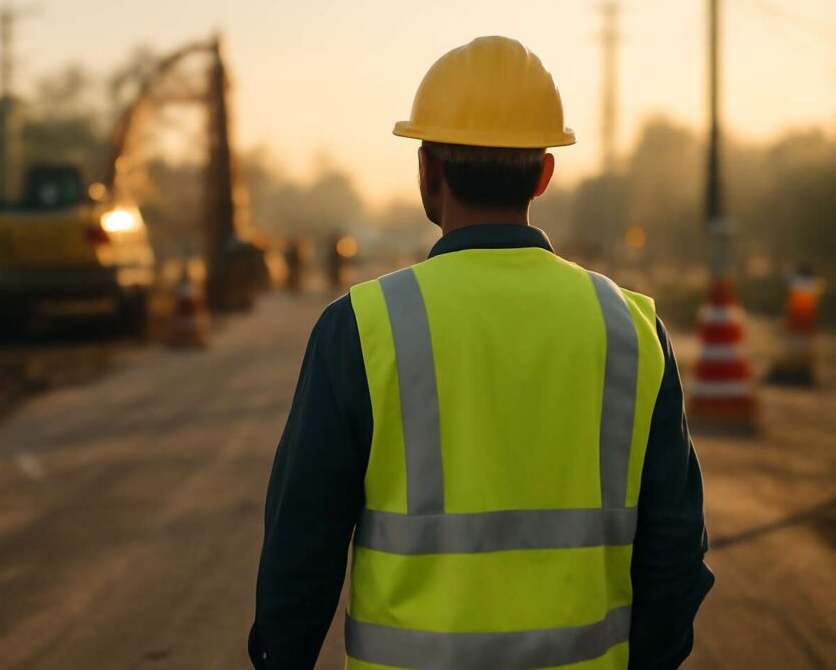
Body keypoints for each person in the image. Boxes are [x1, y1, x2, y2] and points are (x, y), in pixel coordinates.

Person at [249, 37, 714, 669]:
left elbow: (300, 552)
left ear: (427, 171)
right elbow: (676, 553)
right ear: (544, 174)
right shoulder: (631, 328)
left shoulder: (361, 327)